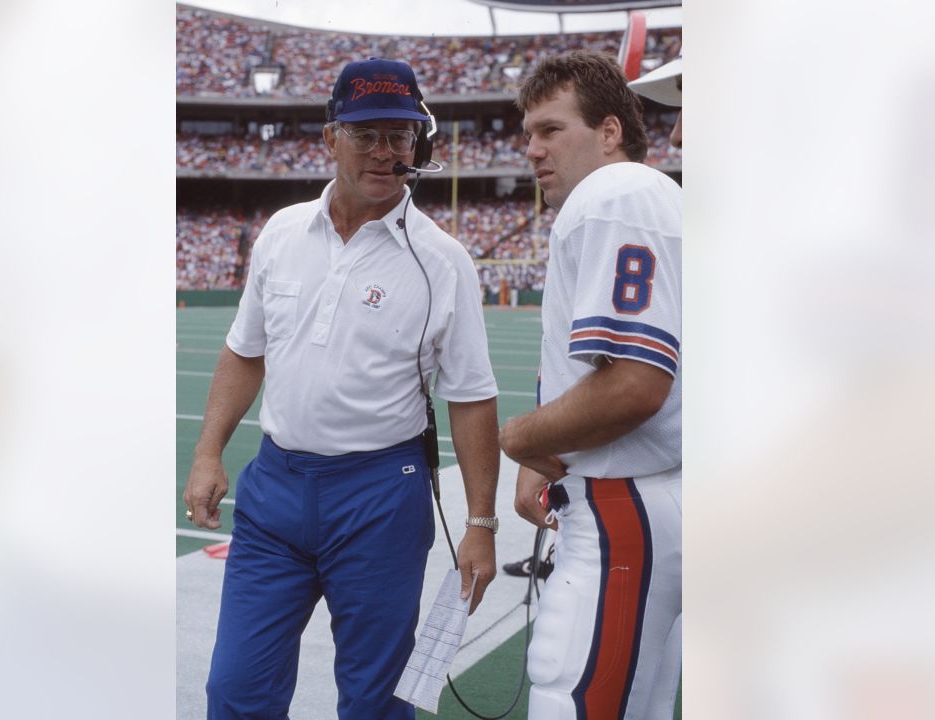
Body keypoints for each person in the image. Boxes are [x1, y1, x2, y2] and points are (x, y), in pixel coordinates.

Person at [183, 58, 501, 720]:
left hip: (380, 496)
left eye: (401, 136)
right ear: (331, 139)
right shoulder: (281, 232)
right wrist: (209, 451)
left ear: (420, 143)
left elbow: (470, 397)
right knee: (236, 690)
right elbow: (245, 351)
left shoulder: (442, 259)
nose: (386, 153)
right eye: (367, 135)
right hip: (275, 488)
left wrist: (480, 524)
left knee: (375, 701)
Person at [499, 51, 682, 720]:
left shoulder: (614, 194)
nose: (532, 150)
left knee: (570, 699)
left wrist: (518, 437)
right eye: (527, 134)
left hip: (622, 506)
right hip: (647, 495)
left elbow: (634, 385)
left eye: (550, 130)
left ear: (609, 133)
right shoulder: (641, 196)